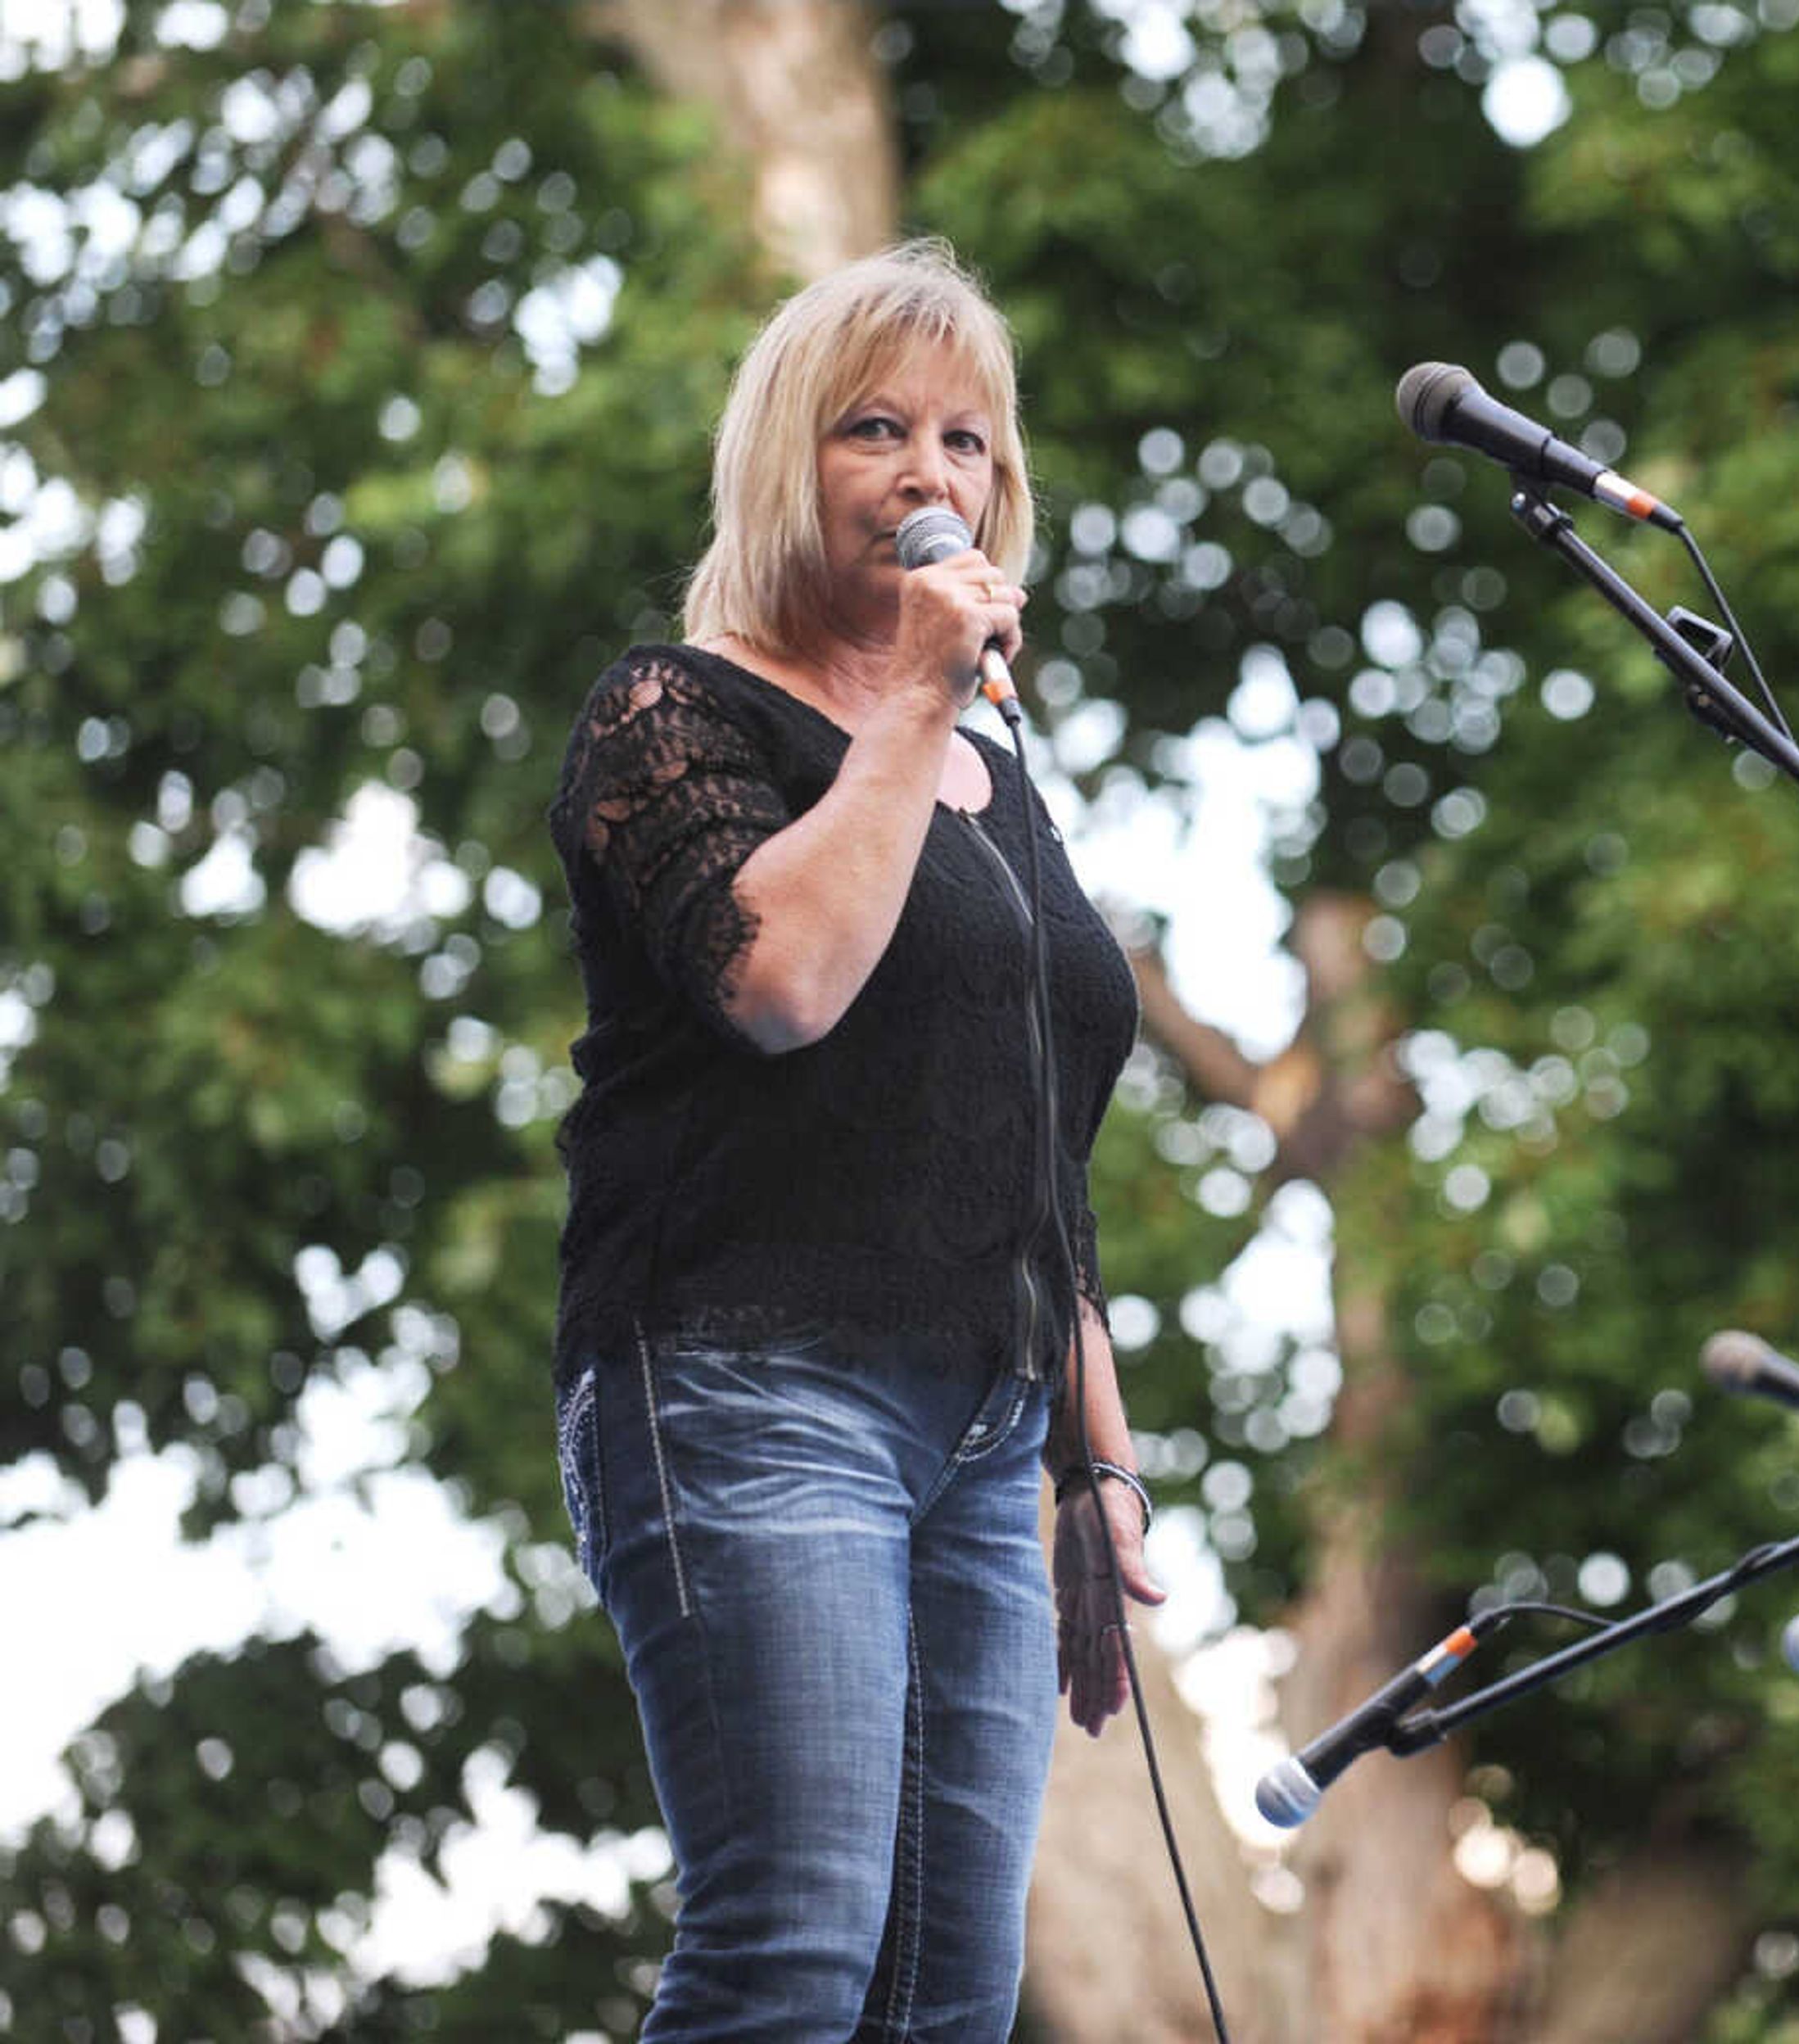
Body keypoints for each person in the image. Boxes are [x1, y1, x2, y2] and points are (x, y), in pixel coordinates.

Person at [545, 239, 1164, 2042]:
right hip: (750, 1380)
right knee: (792, 1952)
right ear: (781, 462)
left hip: (984, 1433)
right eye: (874, 431)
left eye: (969, 445)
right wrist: (907, 701)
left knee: (944, 2006)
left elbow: (1040, 1142)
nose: (928, 476)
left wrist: (1094, 1466)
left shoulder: (992, 774)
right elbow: (781, 980)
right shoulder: (673, 712)